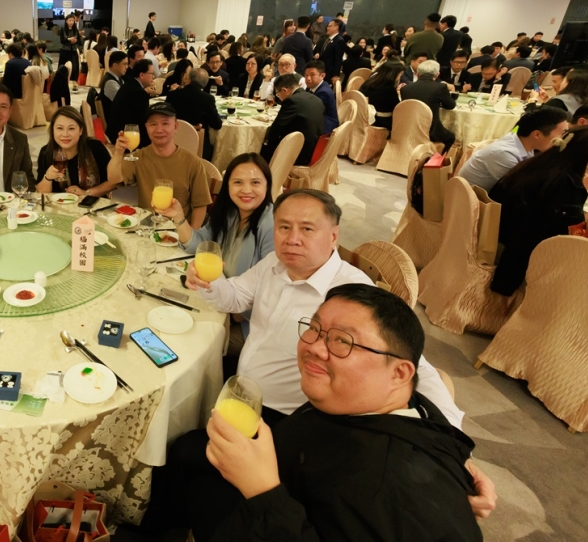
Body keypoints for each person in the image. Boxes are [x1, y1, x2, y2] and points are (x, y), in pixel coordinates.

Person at [137, 282, 487, 542]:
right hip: (293, 457)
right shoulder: (395, 403)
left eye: (343, 341)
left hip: (274, 510)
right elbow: (433, 386)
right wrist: (462, 464)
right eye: (316, 329)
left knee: (196, 482)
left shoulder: (386, 491)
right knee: (186, 449)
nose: (316, 348)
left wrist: (263, 489)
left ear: (399, 374)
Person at [181, 188, 462, 425]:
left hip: (288, 417)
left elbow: (415, 368)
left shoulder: (352, 292)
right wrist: (208, 281)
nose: (292, 239)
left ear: (333, 236)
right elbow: (236, 295)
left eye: (307, 229)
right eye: (284, 227)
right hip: (242, 388)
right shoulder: (274, 263)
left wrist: (451, 441)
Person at [159, 152, 275, 366]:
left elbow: (273, 288)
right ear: (227, 185)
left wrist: (238, 315)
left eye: (255, 182)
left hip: (248, 325)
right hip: (218, 298)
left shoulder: (271, 224)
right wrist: (178, 217)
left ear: (267, 185)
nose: (246, 190)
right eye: (238, 182)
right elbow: (199, 244)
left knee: (183, 342)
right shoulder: (230, 213)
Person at [490, 127, 588, 296]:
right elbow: (570, 237)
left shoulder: (537, 164)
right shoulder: (565, 185)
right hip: (524, 255)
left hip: (500, 234)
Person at [107, 103, 211, 228]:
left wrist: (192, 235)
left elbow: (201, 204)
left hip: (178, 228)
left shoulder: (192, 162)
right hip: (147, 226)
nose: (159, 129)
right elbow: (113, 179)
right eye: (153, 124)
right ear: (146, 127)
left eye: (165, 123)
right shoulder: (138, 157)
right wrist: (118, 152)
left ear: (175, 126)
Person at [458, 106, 569, 192]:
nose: (562, 139)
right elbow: (523, 190)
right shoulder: (504, 154)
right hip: (473, 207)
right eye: (562, 133)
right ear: (537, 135)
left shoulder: (524, 143)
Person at [35, 106, 116, 196]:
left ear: (80, 130)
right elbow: (40, 192)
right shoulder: (46, 152)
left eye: (71, 128)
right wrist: (47, 177)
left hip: (91, 202)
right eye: (60, 128)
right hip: (58, 204)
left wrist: (86, 193)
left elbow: (113, 182)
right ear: (53, 130)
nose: (65, 134)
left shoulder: (95, 147)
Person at [260, 74, 325, 166]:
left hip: (300, 153)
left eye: (278, 94)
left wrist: (266, 141)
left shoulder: (292, 101)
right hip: (316, 150)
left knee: (260, 149)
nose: (279, 98)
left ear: (284, 90)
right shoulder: (316, 99)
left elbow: (277, 128)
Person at [167, 68, 224, 161]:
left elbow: (166, 117)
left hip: (172, 140)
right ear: (205, 83)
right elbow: (217, 125)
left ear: (189, 79)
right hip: (198, 143)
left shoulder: (172, 95)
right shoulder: (207, 99)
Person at [401, 59, 456, 152]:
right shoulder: (440, 87)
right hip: (431, 131)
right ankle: (435, 159)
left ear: (417, 74)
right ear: (437, 74)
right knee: (450, 137)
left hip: (409, 128)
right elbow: (450, 105)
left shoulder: (405, 89)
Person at [107, 58, 156, 145]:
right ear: (142, 75)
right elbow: (143, 120)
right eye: (151, 73)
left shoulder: (129, 85)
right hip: (124, 137)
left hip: (115, 132)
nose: (153, 77)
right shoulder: (139, 93)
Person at [361, 61, 404, 131]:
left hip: (364, 118)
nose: (400, 77)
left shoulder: (371, 81)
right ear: (393, 74)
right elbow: (396, 107)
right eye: (400, 74)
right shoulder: (389, 88)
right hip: (382, 122)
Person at [303, 61, 338, 135]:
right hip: (317, 119)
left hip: (325, 127)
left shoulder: (323, 92)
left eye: (312, 75)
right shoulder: (312, 86)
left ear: (322, 75)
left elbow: (310, 111)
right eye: (306, 75)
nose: (308, 78)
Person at [317, 18, 347, 84]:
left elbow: (338, 59)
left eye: (330, 26)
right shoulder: (326, 38)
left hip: (329, 72)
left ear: (336, 27)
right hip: (320, 69)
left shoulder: (339, 40)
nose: (327, 28)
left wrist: (335, 75)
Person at [58, 13, 82, 83]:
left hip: (73, 50)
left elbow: (79, 40)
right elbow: (62, 40)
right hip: (65, 50)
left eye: (72, 21)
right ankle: (62, 81)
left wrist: (75, 41)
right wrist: (69, 39)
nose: (71, 22)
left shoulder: (75, 29)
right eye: (70, 20)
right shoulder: (63, 29)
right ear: (66, 21)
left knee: (75, 67)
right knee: (63, 66)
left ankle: (73, 81)